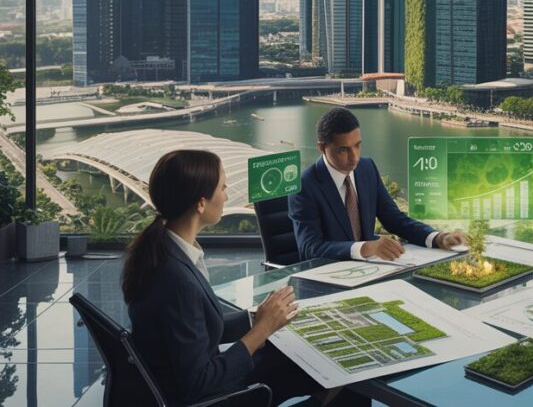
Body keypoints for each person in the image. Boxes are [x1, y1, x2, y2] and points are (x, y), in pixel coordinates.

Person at [122, 150, 335, 405]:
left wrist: (255, 318)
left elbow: (197, 327)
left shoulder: (164, 250)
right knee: (328, 371)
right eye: (222, 187)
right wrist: (262, 330)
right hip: (214, 396)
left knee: (301, 360)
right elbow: (199, 383)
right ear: (201, 203)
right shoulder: (177, 281)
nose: (226, 195)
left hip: (182, 382)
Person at [289, 107, 467, 261]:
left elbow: (394, 219)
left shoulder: (367, 168)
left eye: (357, 146)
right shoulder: (304, 186)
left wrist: (437, 237)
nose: (354, 157)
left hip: (372, 270)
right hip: (329, 277)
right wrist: (366, 248)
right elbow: (309, 249)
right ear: (322, 148)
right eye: (344, 150)